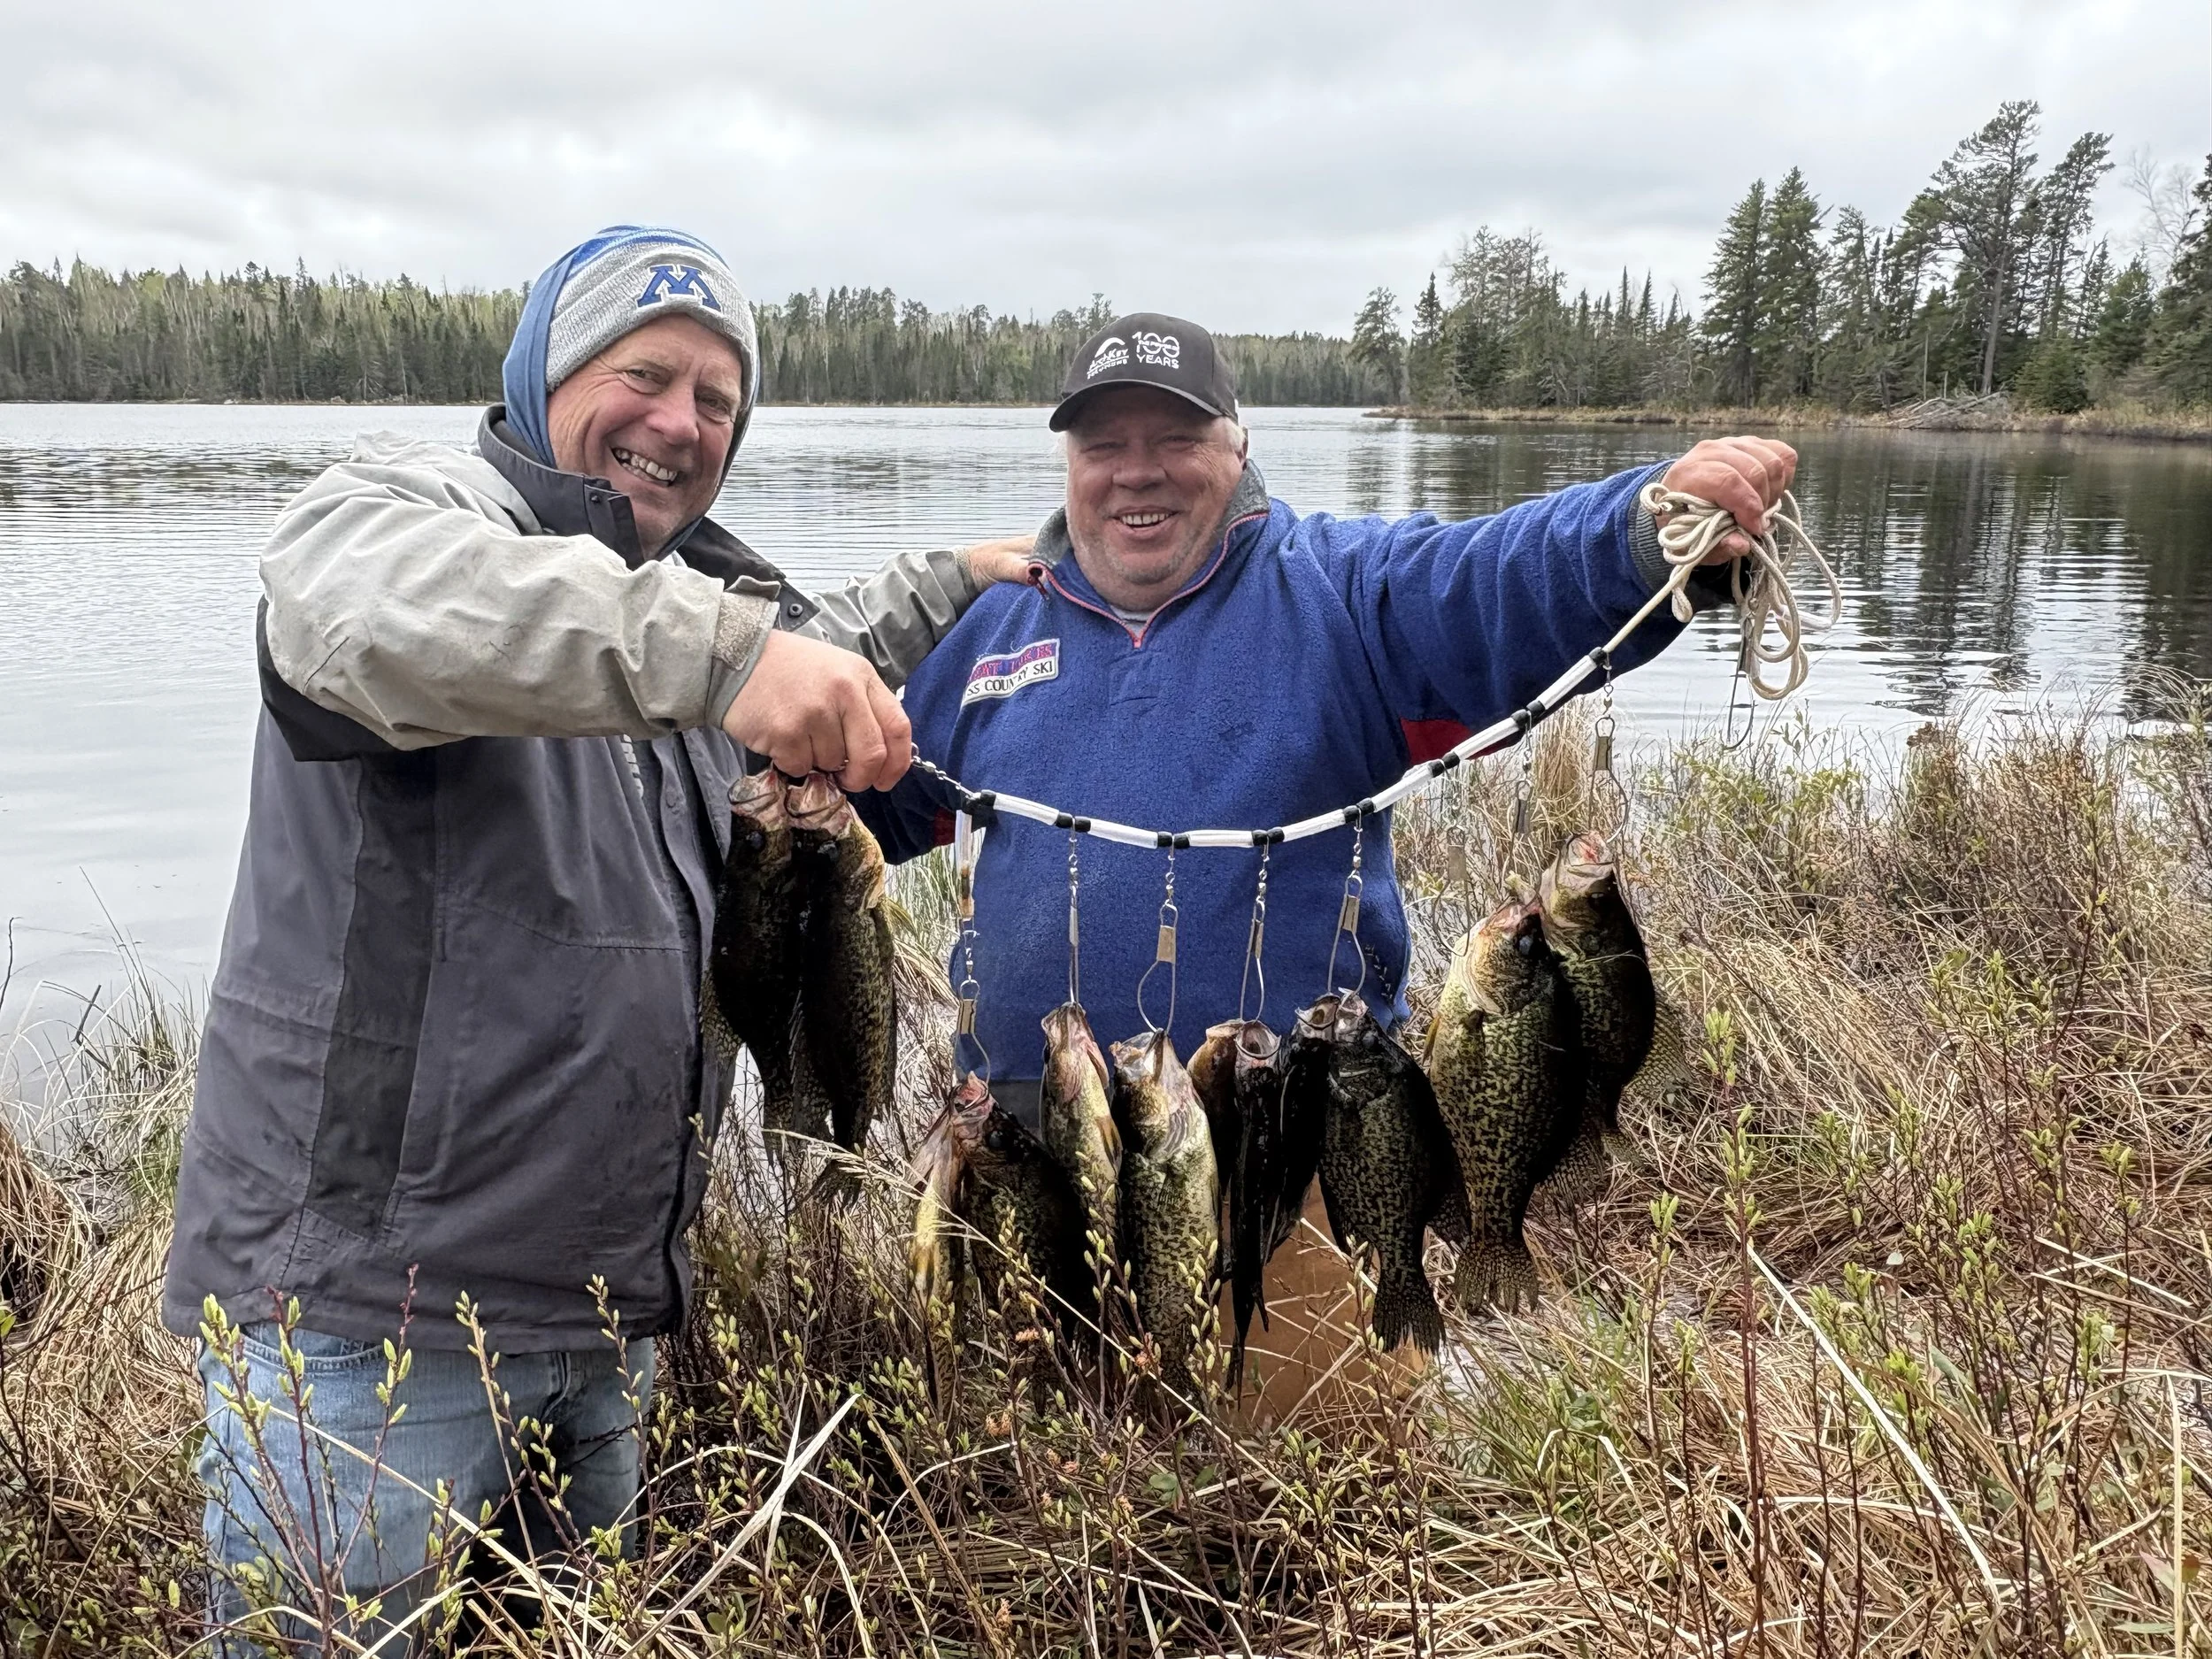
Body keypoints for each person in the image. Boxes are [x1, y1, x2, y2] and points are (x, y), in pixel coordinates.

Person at [161, 225, 1032, 1649]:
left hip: (607, 1324)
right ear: (544, 372)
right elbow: (357, 610)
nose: (678, 422)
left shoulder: (677, 594)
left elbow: (807, 630)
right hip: (369, 1337)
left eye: (718, 400)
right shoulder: (406, 515)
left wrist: (968, 580)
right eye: (645, 372)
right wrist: (736, 656)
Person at [861, 313, 1793, 1148]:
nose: (1135, 471)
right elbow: (863, 819)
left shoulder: (1338, 592)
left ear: (1239, 446)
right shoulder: (987, 631)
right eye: (1103, 445)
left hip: (1304, 1133)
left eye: (1177, 438)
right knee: (1032, 1351)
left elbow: (1487, 579)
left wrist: (1638, 531)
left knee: (1315, 1342)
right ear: (1068, 465)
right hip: (1033, 1141)